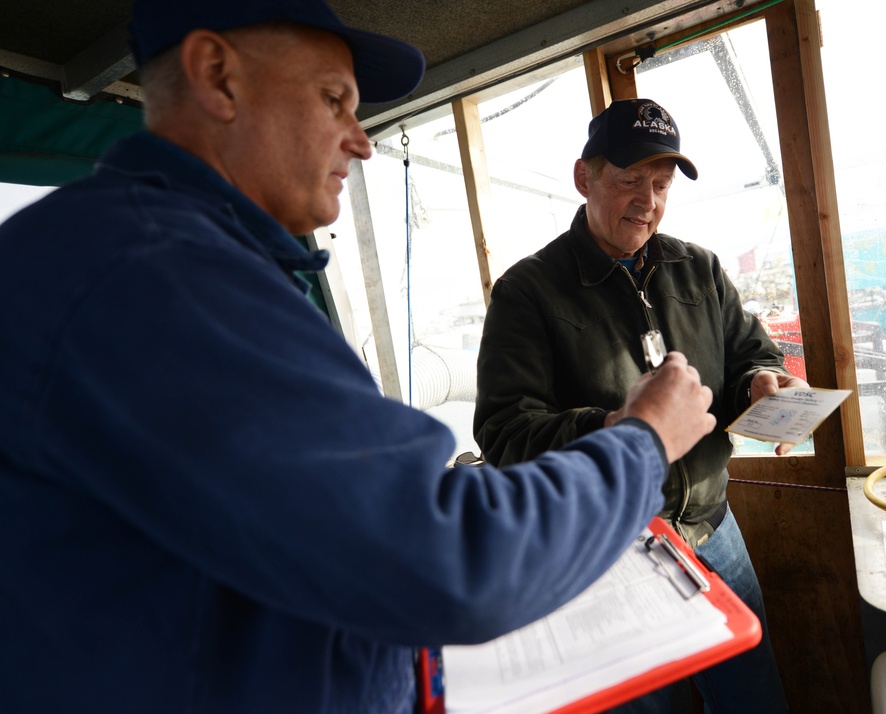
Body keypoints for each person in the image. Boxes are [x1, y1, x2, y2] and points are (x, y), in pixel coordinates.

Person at [0, 3, 721, 713]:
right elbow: (445, 559)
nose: (362, 139)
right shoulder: (157, 276)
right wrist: (644, 439)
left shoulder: (199, 263)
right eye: (334, 100)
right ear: (217, 77)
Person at [473, 98, 809, 713]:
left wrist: (762, 382)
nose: (647, 200)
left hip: (713, 527)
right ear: (585, 178)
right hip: (610, 555)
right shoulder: (527, 291)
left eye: (660, 184)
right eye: (629, 180)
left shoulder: (699, 269)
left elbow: (749, 355)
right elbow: (504, 436)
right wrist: (620, 428)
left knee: (756, 700)